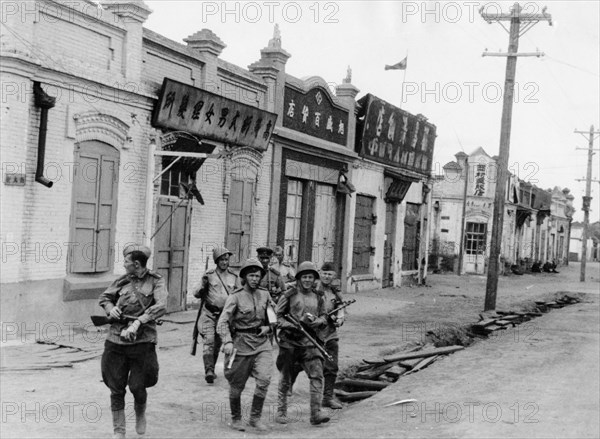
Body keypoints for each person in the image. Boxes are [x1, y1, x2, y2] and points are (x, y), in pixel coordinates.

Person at [98, 244, 167, 439]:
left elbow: (161, 305)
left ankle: (140, 413)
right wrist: (110, 308)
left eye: (126, 262)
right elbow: (104, 297)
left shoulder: (156, 282)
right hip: (116, 338)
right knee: (115, 387)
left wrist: (137, 323)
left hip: (142, 340)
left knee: (138, 385)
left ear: (136, 264)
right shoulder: (122, 280)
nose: (124, 265)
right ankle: (119, 431)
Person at [216, 258, 274, 432]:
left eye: (258, 276)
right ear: (244, 277)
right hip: (240, 344)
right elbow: (222, 322)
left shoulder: (265, 294)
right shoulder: (235, 297)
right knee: (236, 384)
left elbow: (273, 315)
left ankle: (255, 418)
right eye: (251, 275)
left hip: (261, 343)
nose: (255, 279)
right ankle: (236, 418)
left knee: (264, 379)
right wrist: (227, 340)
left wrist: (269, 327)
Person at [275, 261, 331, 426]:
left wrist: (318, 322)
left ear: (315, 279)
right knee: (286, 377)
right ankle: (281, 411)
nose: (307, 280)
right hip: (290, 342)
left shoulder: (318, 295)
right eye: (304, 277)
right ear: (299, 278)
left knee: (317, 375)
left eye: (311, 277)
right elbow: (276, 318)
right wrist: (292, 325)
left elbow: (324, 316)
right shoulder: (290, 294)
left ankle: (316, 413)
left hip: (310, 342)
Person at [192, 246, 240, 384]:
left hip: (225, 316)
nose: (225, 262)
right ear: (216, 261)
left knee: (218, 343)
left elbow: (239, 294)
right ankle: (209, 370)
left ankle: (211, 367)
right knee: (209, 340)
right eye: (222, 260)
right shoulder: (209, 275)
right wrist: (203, 283)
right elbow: (196, 294)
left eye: (227, 259)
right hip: (208, 314)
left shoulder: (233, 276)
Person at [316, 262, 345, 410]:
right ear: (320, 273)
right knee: (304, 365)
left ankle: (327, 398)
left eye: (330, 274)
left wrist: (340, 318)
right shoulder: (312, 289)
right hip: (313, 334)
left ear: (334, 276)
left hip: (330, 333)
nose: (327, 277)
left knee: (332, 366)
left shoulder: (335, 291)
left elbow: (341, 308)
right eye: (324, 273)